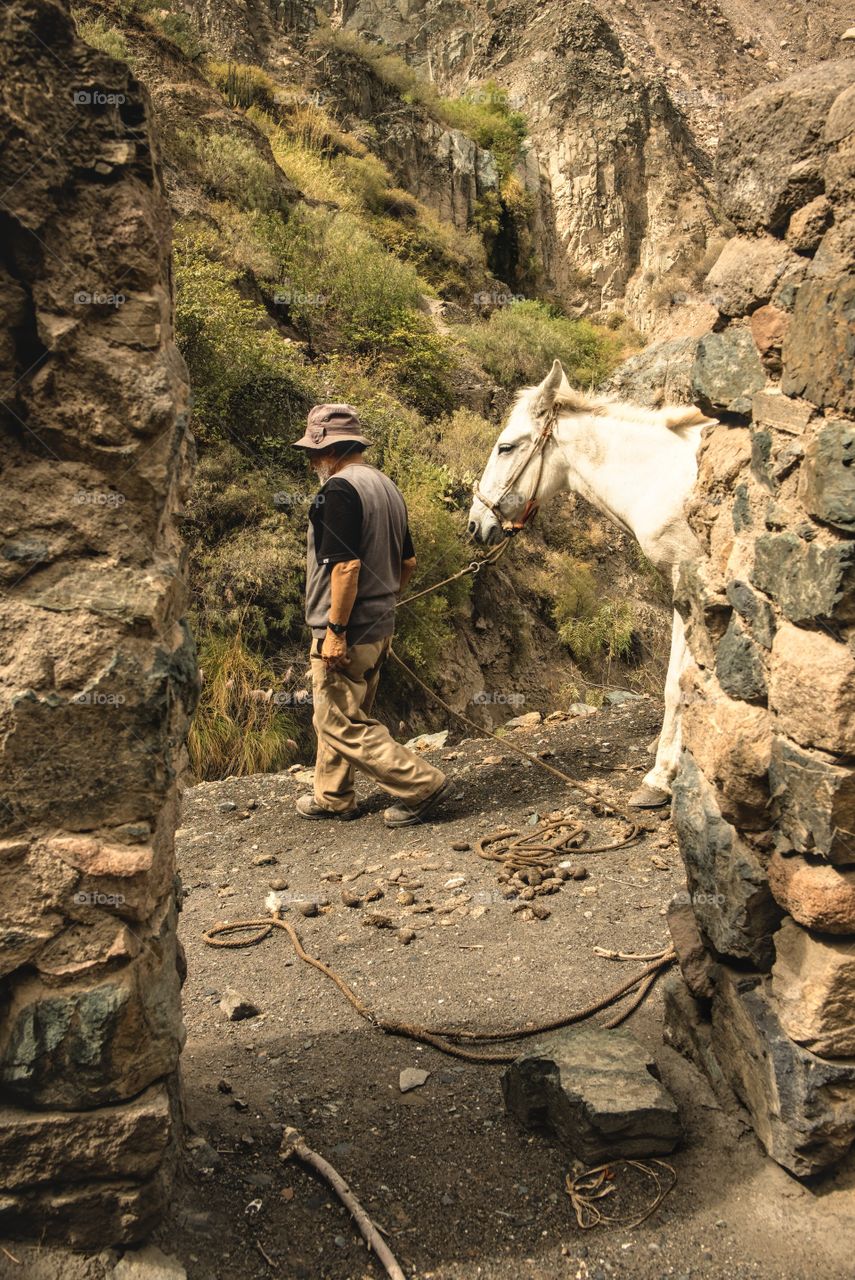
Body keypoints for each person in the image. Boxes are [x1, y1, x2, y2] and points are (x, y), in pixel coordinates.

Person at [292, 403, 450, 828]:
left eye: (313, 454)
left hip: (347, 629)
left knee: (338, 718)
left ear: (330, 452)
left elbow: (345, 567)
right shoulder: (386, 486)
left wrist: (337, 631)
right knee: (340, 710)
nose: (311, 463)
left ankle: (422, 784)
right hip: (381, 627)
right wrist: (382, 601)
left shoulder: (338, 491)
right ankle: (333, 797)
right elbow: (409, 563)